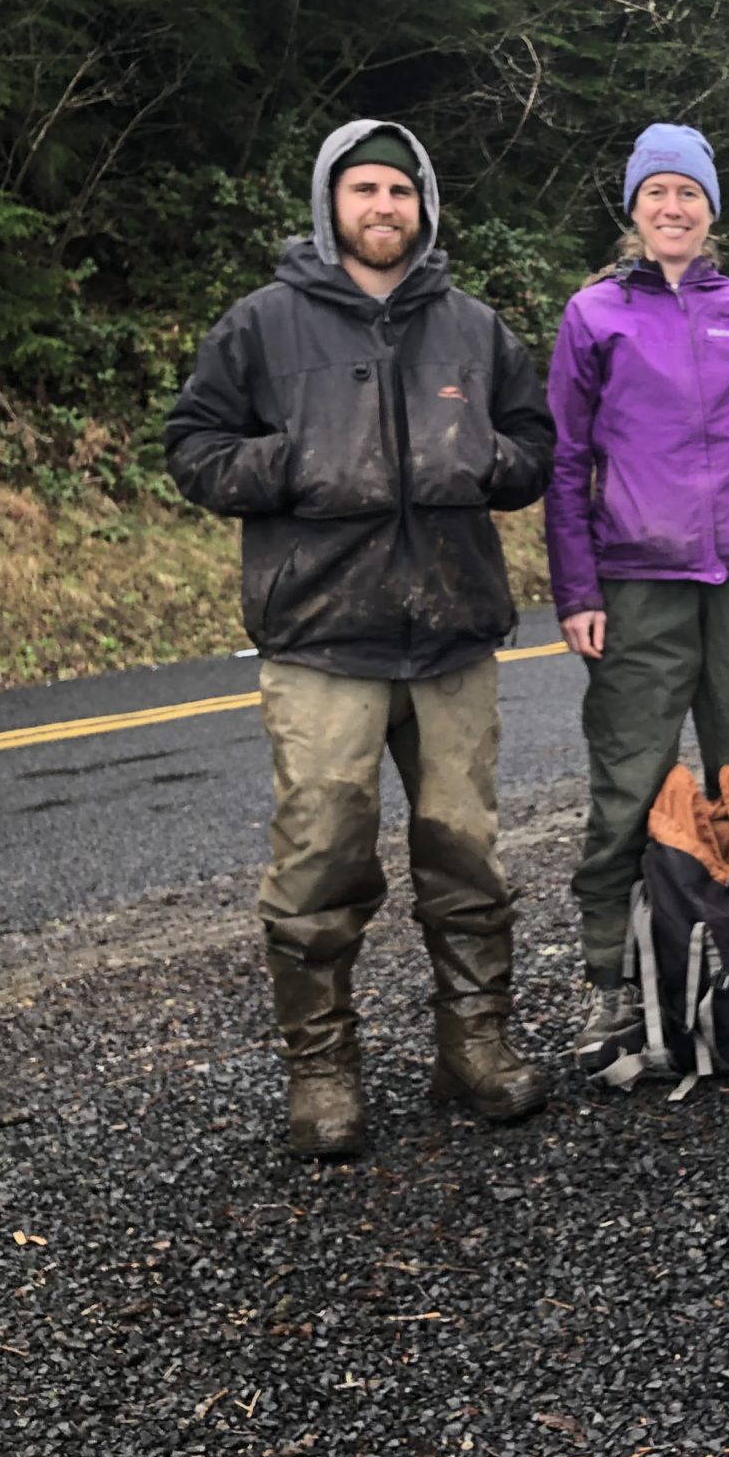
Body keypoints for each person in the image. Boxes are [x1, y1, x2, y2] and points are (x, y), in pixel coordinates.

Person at [166, 119, 555, 1157]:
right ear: (330, 204)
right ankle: (323, 1074)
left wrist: (482, 458)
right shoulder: (263, 324)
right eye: (364, 190)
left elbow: (535, 445)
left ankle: (472, 1044)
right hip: (321, 637)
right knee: (320, 863)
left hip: (453, 632)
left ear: (424, 204)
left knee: (464, 855)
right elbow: (194, 447)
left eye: (400, 190)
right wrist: (295, 464)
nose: (383, 207)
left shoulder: (472, 327)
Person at [551, 124, 729, 1065]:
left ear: (713, 209)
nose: (674, 208)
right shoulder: (594, 316)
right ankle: (612, 983)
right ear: (633, 208)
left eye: (690, 194)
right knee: (629, 780)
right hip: (635, 582)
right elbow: (565, 463)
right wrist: (576, 589)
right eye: (657, 193)